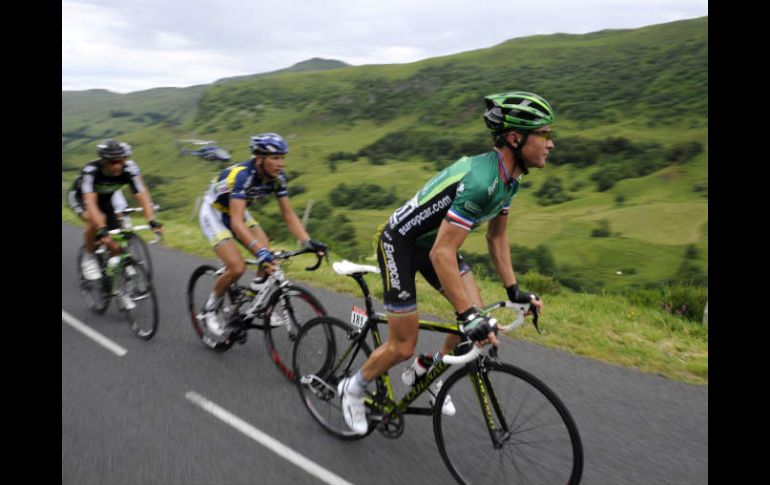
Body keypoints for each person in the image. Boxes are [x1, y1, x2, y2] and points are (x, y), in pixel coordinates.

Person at [337, 91, 553, 434]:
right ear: (516, 138)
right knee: (404, 344)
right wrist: (466, 315)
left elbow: (496, 239)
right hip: (402, 243)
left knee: (477, 319)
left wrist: (514, 291)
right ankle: (352, 388)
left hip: (435, 244)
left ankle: (428, 368)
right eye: (544, 134)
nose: (550, 144)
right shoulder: (483, 181)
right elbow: (442, 254)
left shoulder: (509, 181)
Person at [197, 133, 328, 336]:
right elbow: (236, 222)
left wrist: (307, 241)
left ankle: (254, 300)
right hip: (214, 213)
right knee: (237, 267)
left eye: (282, 157)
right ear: (259, 159)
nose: (281, 163)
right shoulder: (242, 176)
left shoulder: (277, 179)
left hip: (237, 211)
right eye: (275, 158)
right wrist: (259, 251)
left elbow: (288, 214)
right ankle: (210, 309)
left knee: (268, 256)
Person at [68, 140, 163, 307]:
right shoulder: (91, 171)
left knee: (116, 248)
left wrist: (151, 220)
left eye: (121, 160)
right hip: (81, 199)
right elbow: (90, 204)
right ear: (104, 161)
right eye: (113, 162)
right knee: (94, 223)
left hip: (105, 202)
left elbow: (142, 196)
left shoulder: (127, 170)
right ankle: (89, 257)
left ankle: (120, 289)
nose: (118, 165)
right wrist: (103, 229)